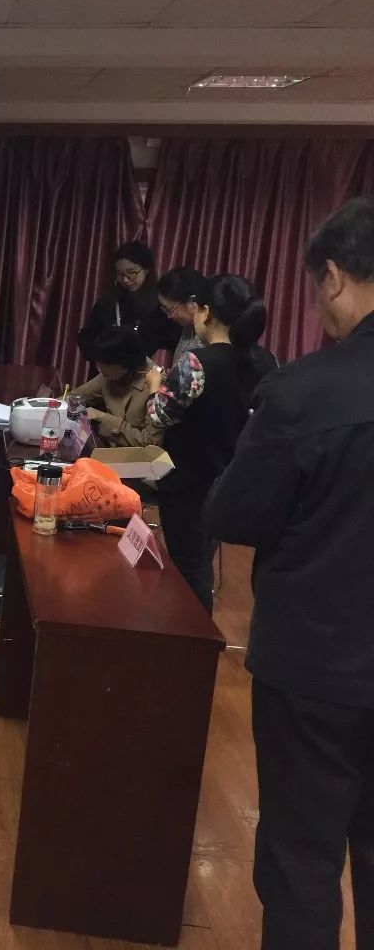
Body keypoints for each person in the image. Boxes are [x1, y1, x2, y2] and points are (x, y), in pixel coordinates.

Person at [204, 197, 374, 950]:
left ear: (333, 276)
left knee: (302, 859)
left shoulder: (304, 391)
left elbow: (234, 512)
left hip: (316, 666)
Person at [145, 273, 276, 611]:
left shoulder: (196, 363)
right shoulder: (268, 362)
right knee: (201, 559)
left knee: (189, 572)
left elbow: (159, 415)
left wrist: (154, 387)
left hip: (188, 484)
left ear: (204, 312)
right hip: (229, 481)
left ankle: (194, 635)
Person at [79, 240, 180, 361]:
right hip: (107, 368)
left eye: (132, 273)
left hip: (140, 369)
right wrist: (101, 357)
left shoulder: (159, 304)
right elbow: (86, 338)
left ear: (147, 269)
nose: (125, 279)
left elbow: (176, 340)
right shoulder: (108, 301)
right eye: (120, 274)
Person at [70, 326, 163, 449]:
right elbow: (75, 397)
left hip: (140, 458)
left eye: (104, 365)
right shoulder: (110, 374)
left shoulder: (156, 383)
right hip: (111, 453)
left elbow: (151, 443)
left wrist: (103, 418)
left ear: (125, 362)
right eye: (98, 364)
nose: (99, 370)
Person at [156, 265, 207, 361]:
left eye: (170, 310)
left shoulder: (209, 338)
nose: (169, 316)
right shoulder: (188, 328)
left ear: (192, 301)